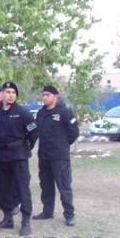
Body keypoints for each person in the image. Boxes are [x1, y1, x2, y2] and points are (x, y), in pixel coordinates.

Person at [0, 81, 39, 236]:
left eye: (13, 93)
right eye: (7, 92)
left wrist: (26, 147)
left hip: (19, 156)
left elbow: (34, 133)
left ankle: (26, 221)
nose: (10, 95)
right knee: (3, 189)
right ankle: (7, 218)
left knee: (22, 188)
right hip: (1, 157)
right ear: (2, 94)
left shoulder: (23, 113)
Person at [34, 86, 80, 226]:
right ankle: (47, 212)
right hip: (44, 156)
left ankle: (69, 215)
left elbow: (74, 132)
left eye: (47, 95)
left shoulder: (64, 112)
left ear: (56, 96)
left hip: (59, 157)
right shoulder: (41, 113)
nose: (44, 97)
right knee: (46, 185)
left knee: (64, 186)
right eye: (43, 95)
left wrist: (63, 144)